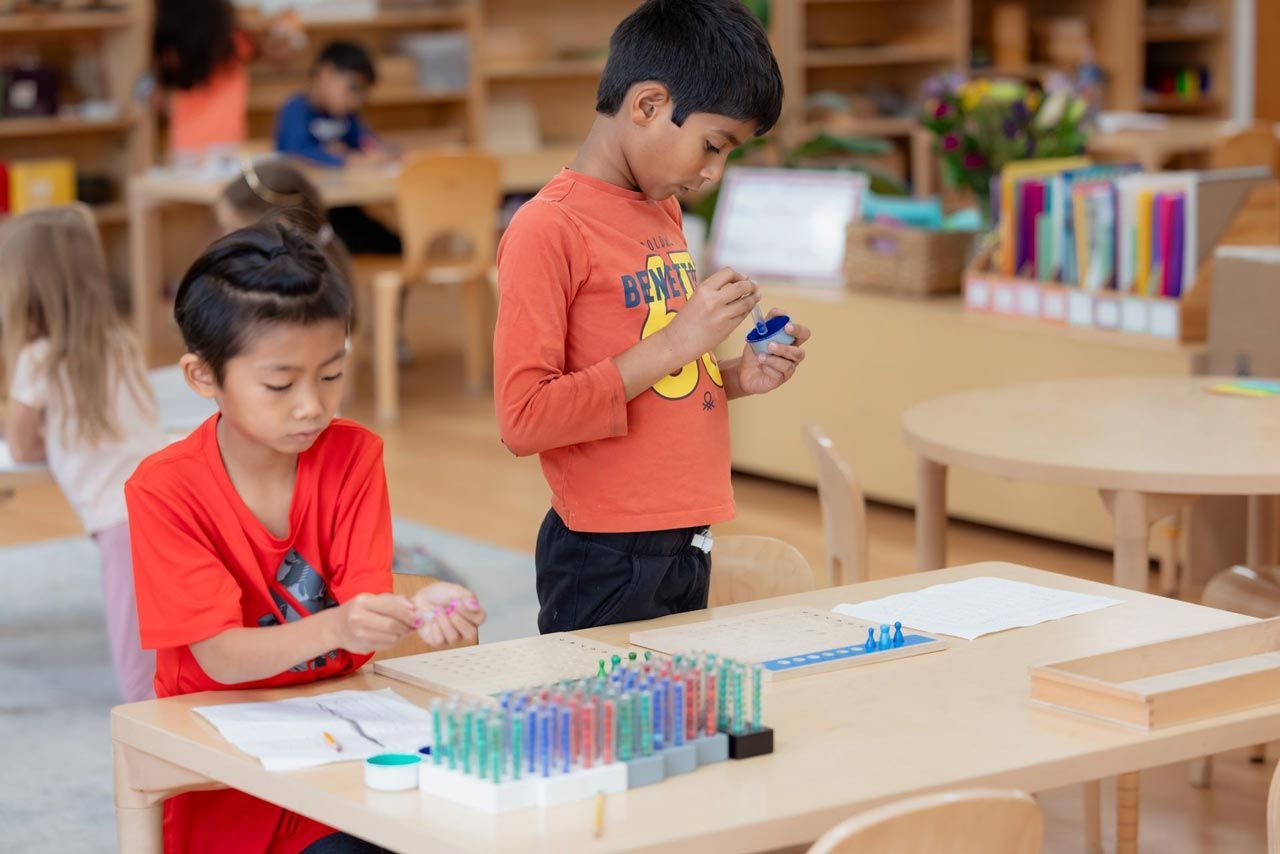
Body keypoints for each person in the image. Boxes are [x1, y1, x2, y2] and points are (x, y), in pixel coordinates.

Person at [125, 220, 484, 853]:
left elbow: (362, 608)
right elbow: (219, 658)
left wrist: (411, 610)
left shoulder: (353, 456)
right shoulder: (164, 489)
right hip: (221, 767)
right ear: (202, 376)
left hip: (342, 752)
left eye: (331, 375)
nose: (311, 406)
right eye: (279, 383)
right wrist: (341, 628)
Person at [493, 0, 810, 635]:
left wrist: (734, 377)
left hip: (686, 533)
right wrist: (679, 340)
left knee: (671, 723)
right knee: (605, 730)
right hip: (604, 551)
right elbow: (523, 419)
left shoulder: (659, 210)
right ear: (646, 105)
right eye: (712, 145)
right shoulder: (547, 228)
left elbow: (658, 378)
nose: (713, 171)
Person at [0, 204, 166, 702]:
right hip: (167, 498)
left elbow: (22, 446)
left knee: (138, 667)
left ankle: (148, 759)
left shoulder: (37, 358)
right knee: (172, 641)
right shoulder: (121, 342)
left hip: (123, 524)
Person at [274, 41, 402, 256]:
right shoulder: (296, 109)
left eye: (362, 93)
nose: (357, 99)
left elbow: (365, 142)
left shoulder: (347, 116)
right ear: (326, 72)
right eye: (352, 88)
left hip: (343, 207)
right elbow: (296, 152)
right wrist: (347, 159)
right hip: (307, 213)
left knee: (395, 244)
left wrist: (379, 152)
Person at [152, 0, 303, 161]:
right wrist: (284, 29)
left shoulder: (173, 50)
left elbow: (158, 98)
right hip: (229, 146)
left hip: (184, 145)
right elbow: (279, 53)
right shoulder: (233, 43)